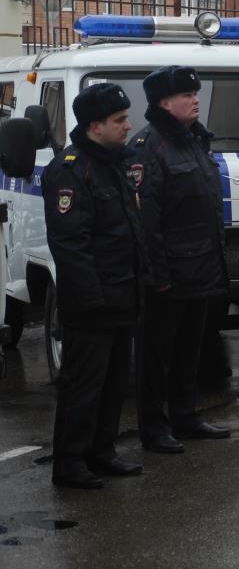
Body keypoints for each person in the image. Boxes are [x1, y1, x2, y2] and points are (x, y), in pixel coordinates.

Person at [43, 83, 147, 488]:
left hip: (123, 295)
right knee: (83, 385)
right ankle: (70, 462)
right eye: (119, 120)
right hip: (93, 303)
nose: (128, 126)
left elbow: (129, 230)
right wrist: (93, 300)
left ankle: (102, 451)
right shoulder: (71, 169)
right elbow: (70, 244)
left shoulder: (115, 162)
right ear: (93, 125)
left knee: (114, 383)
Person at [134, 66, 231, 454]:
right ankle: (154, 428)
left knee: (190, 348)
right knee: (157, 354)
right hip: (169, 271)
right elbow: (148, 218)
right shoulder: (150, 145)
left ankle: (185, 416)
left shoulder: (192, 140)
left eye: (196, 93)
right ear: (163, 103)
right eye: (186, 95)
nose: (195, 100)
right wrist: (157, 274)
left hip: (200, 267)